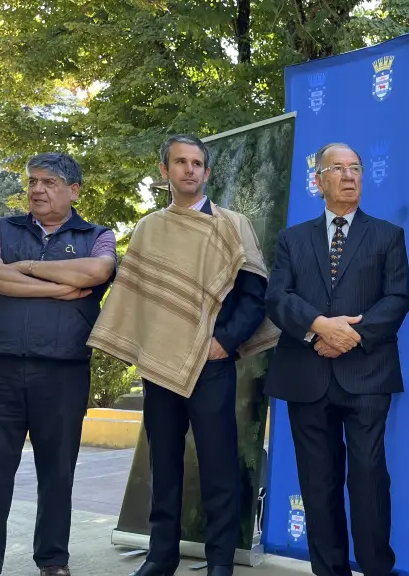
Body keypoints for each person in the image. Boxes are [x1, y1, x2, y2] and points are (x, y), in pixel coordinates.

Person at [87, 135, 280, 576]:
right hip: (161, 365)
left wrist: (223, 343)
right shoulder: (150, 228)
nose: (189, 170)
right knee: (164, 466)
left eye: (197, 163)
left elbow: (254, 297)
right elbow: (139, 297)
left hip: (212, 365)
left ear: (207, 173)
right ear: (165, 171)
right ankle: (160, 557)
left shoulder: (232, 225)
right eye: (180, 162)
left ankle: (219, 562)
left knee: (218, 467)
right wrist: (148, 346)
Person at [0, 153, 115, 576]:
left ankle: (52, 561)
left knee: (57, 473)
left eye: (49, 182)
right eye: (32, 182)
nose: (37, 190)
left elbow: (96, 270)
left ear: (73, 190)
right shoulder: (1, 229)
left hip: (63, 372)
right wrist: (53, 288)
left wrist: (25, 269)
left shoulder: (96, 235)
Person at [264, 142, 409, 576]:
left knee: (368, 482)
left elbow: (397, 299)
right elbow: (277, 297)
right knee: (318, 484)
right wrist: (318, 328)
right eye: (338, 168)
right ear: (319, 180)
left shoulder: (388, 235)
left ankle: (376, 569)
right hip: (305, 376)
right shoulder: (293, 238)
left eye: (356, 168)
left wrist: (348, 336)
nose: (349, 176)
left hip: (367, 375)